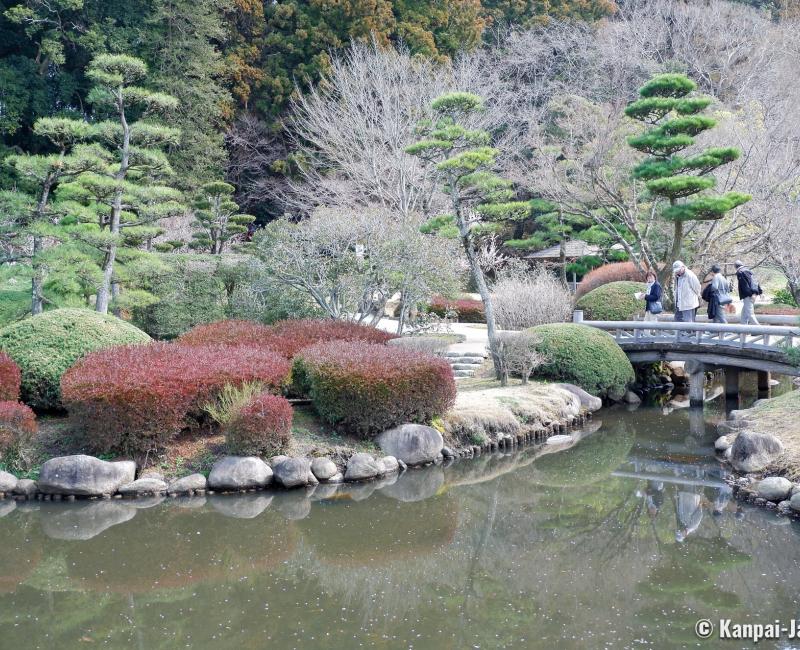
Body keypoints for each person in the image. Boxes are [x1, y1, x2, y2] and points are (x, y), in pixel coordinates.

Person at [735, 260, 762, 325]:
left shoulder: (740, 272)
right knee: (744, 313)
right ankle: (743, 328)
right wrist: (759, 292)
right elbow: (755, 282)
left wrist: (751, 294)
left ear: (735, 266)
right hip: (753, 294)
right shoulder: (749, 271)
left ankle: (759, 329)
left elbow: (745, 286)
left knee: (750, 314)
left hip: (748, 295)